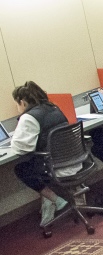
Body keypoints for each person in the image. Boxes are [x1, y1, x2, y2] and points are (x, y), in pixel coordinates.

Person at [10, 82, 71, 227]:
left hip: (54, 165)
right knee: (32, 161)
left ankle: (55, 199)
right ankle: (51, 200)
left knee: (21, 168)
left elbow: (20, 149)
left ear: (22, 102)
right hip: (72, 159)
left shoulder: (29, 117)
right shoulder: (54, 108)